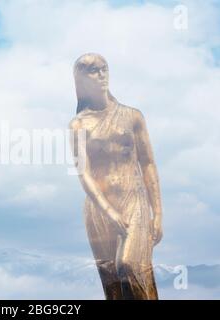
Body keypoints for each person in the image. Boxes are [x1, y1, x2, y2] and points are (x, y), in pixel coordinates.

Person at [69, 53, 163, 300]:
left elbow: (149, 163)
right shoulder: (78, 125)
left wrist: (158, 213)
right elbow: (84, 173)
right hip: (99, 209)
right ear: (81, 79)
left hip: (134, 202)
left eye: (104, 69)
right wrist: (109, 212)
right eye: (92, 71)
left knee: (129, 266)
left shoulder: (133, 116)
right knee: (112, 285)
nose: (101, 75)